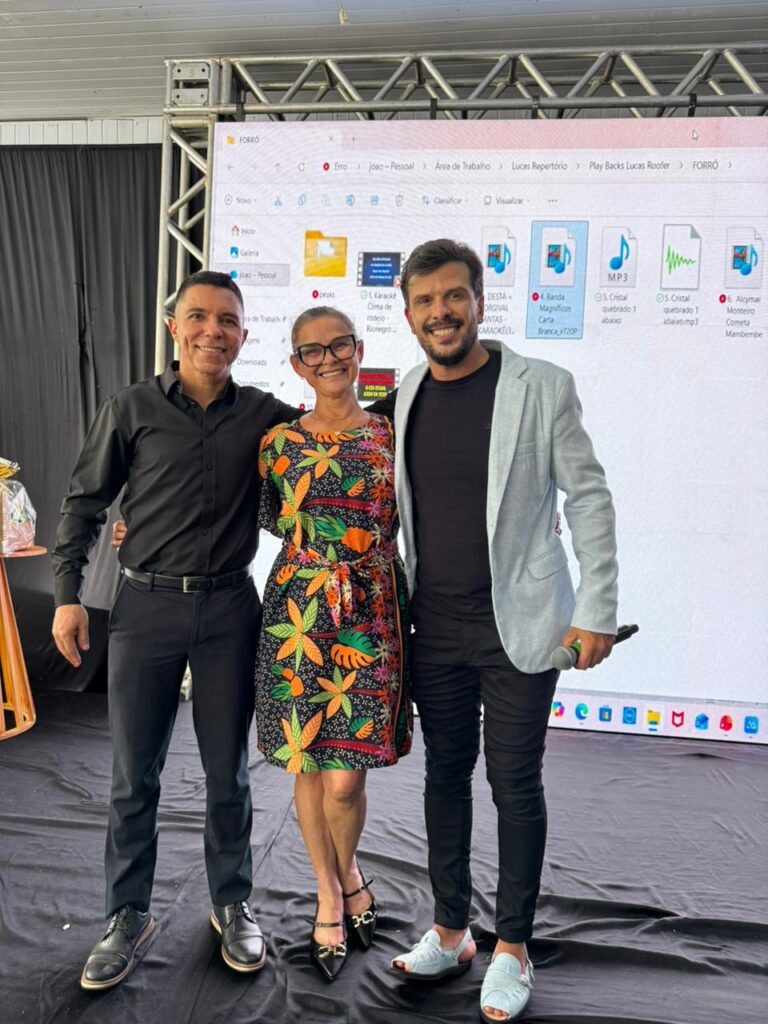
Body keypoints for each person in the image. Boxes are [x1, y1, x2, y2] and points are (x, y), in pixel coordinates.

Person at [387, 240, 618, 1023]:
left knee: (514, 781)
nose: (441, 312)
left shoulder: (541, 386)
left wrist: (596, 609)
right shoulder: (406, 391)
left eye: (454, 296)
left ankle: (512, 948)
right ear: (409, 314)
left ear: (479, 303)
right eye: (425, 301)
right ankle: (452, 931)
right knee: (444, 776)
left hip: (520, 622)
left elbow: (588, 498)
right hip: (432, 624)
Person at [51, 270, 301, 990]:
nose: (211, 331)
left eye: (227, 320)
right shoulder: (131, 407)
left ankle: (232, 903)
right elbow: (85, 505)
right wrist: (68, 595)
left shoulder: (267, 416)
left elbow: (335, 435)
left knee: (229, 773)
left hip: (230, 611)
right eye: (198, 316)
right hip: (145, 609)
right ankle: (126, 914)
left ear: (244, 335)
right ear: (174, 327)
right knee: (134, 775)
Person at [255, 306, 411, 982]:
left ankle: (346, 871)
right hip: (299, 608)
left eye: (338, 345)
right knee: (310, 759)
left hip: (372, 609)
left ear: (359, 349)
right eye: (312, 351)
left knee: (347, 777)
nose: (328, 359)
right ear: (296, 364)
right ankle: (332, 891)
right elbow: (251, 517)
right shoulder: (276, 444)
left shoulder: (391, 433)